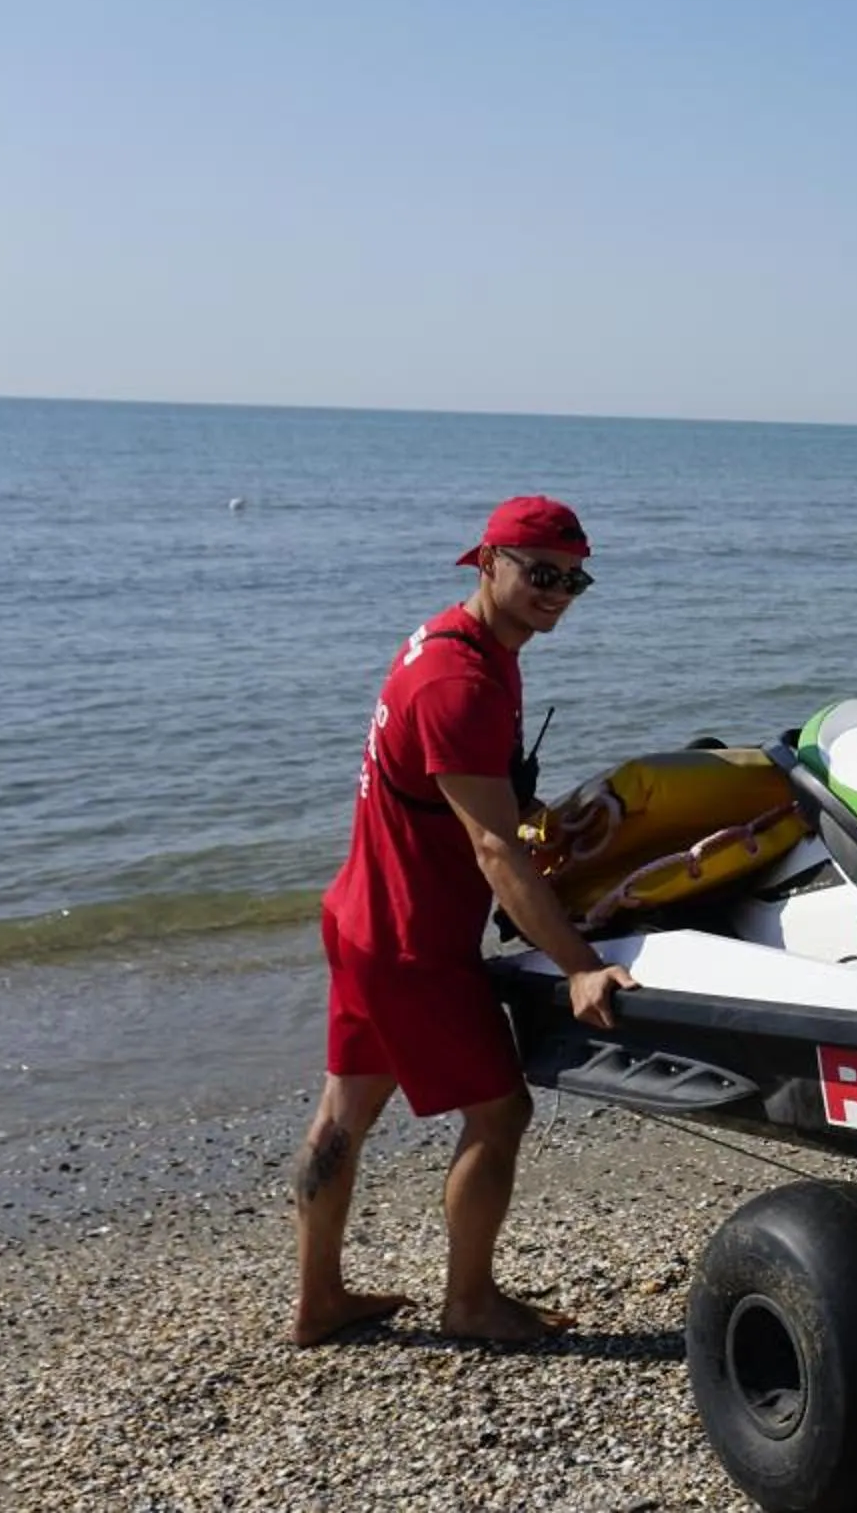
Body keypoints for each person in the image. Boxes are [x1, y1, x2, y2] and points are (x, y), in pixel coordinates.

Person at [290, 495, 637, 1347]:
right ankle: (471, 1301)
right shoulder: (461, 681)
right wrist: (580, 965)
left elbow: (467, 800)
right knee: (500, 1112)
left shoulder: (461, 641)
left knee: (344, 1114)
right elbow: (491, 850)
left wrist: (532, 812)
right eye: (540, 573)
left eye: (574, 579)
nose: (557, 591)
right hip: (413, 940)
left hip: (360, 916)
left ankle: (319, 1301)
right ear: (487, 562)